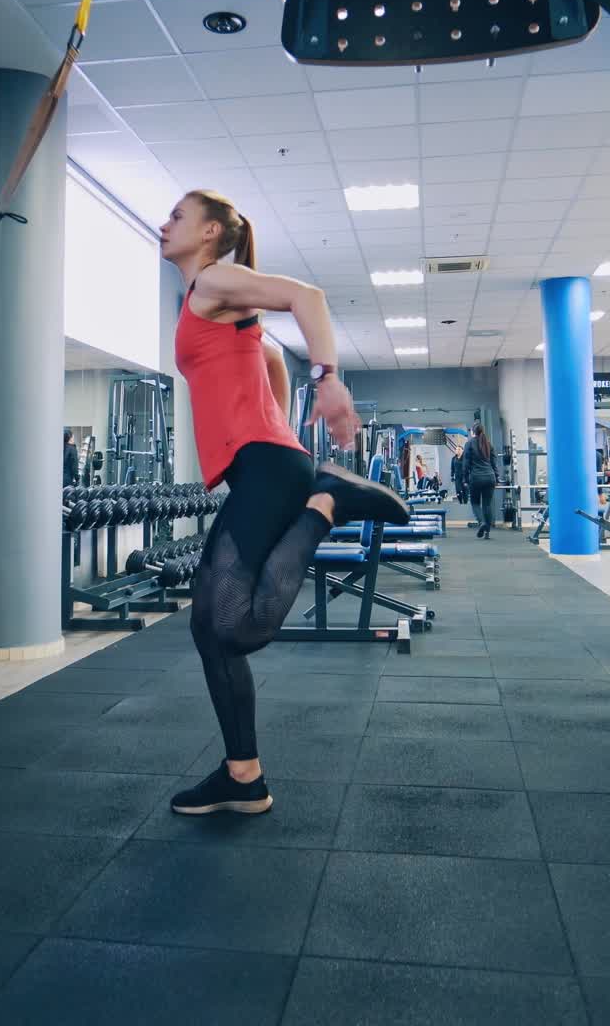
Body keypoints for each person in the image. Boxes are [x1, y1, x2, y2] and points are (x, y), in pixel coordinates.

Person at [160, 189, 410, 816]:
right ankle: (243, 777)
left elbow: (310, 298)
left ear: (211, 231)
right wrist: (278, 425)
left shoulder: (217, 279)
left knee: (233, 624)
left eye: (177, 217)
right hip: (266, 463)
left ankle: (327, 502)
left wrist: (327, 381)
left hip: (269, 467)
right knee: (209, 628)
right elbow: (268, 355)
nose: (165, 225)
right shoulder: (207, 299)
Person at [463, 422, 497, 538]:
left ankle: (481, 522)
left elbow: (466, 464)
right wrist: (496, 477)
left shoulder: (469, 444)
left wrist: (465, 479)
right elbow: (494, 463)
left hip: (476, 478)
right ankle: (487, 531)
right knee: (487, 504)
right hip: (490, 477)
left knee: (475, 503)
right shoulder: (489, 444)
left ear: (473, 432)